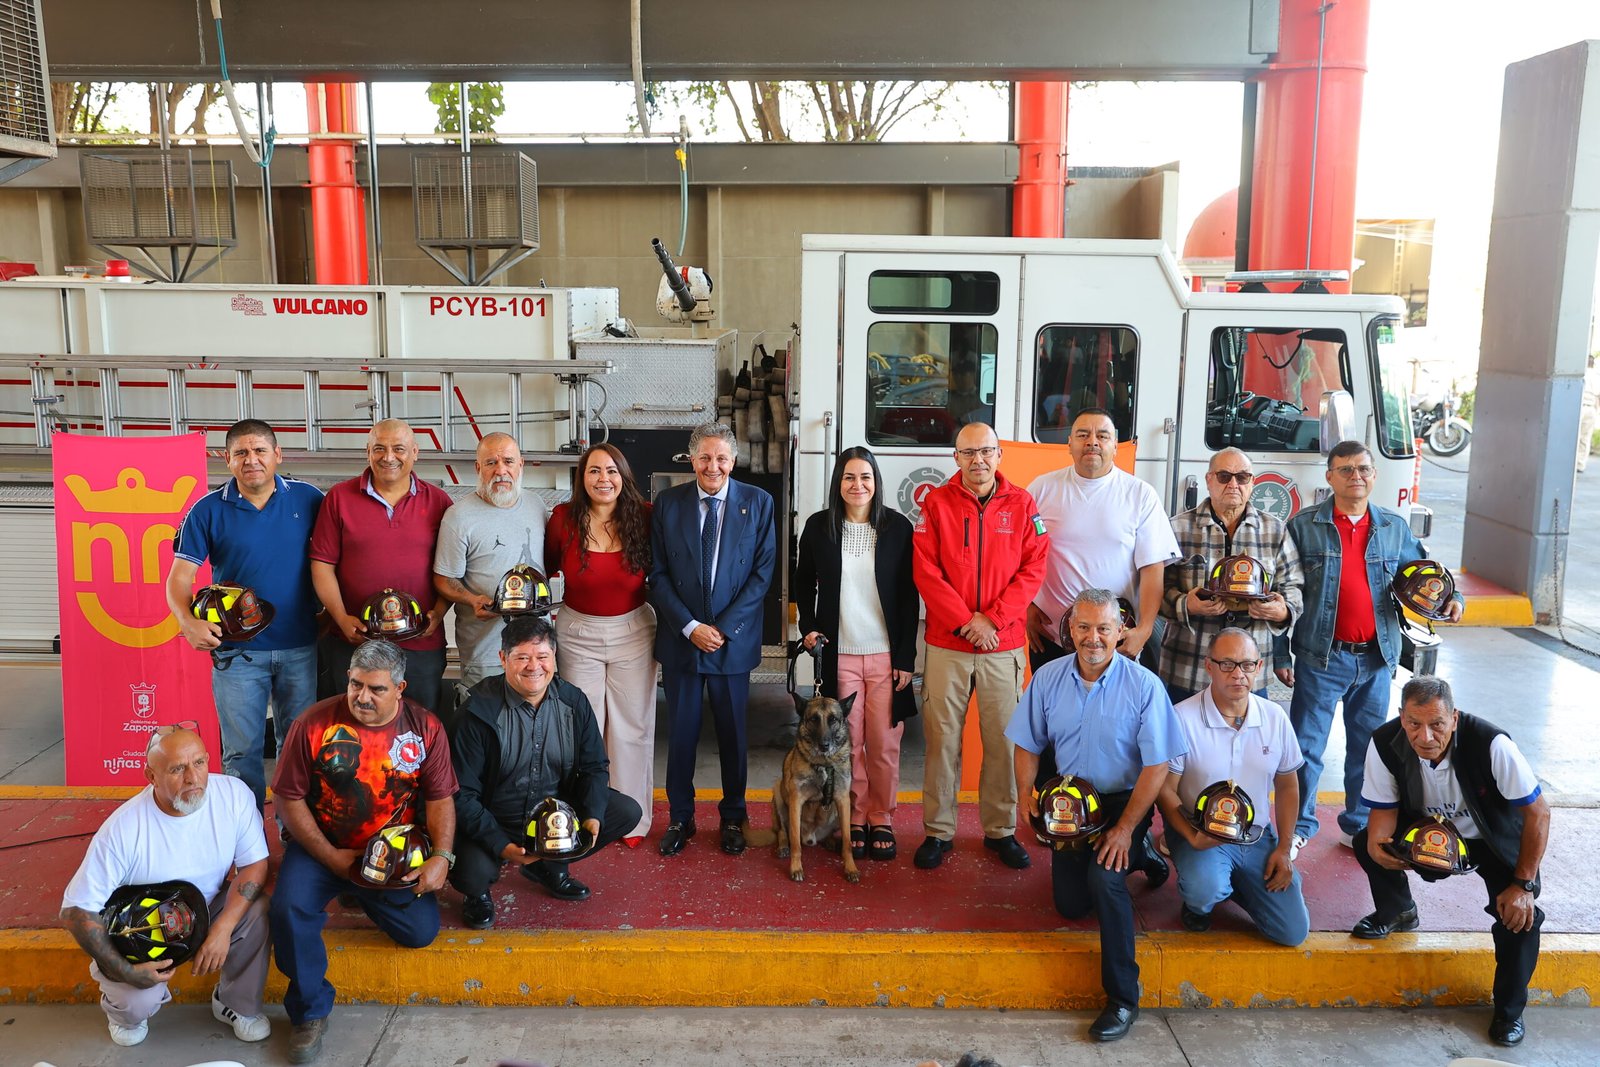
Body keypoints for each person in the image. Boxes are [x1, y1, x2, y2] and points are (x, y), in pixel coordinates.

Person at [269, 639, 458, 1064]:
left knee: (420, 933)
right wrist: (330, 857)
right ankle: (309, 1012)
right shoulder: (313, 723)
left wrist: (441, 858)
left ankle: (365, 892)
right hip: (323, 845)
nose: (362, 697)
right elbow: (288, 799)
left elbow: (441, 798)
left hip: (390, 854)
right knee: (288, 910)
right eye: (355, 684)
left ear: (400, 688)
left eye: (376, 689)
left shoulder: (426, 726)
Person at [1006, 589, 1183, 1042]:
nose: (1093, 638)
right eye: (1083, 627)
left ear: (1120, 630)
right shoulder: (1047, 678)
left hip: (1125, 800)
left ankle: (1123, 998)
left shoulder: (1144, 685)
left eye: (1104, 628)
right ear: (1070, 629)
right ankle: (1142, 856)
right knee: (1071, 904)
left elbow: (1157, 764)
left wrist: (1125, 829)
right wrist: (1027, 796)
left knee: (1105, 879)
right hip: (1072, 801)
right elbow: (1027, 741)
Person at [1285, 441, 1463, 858]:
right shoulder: (1304, 526)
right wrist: (1279, 656)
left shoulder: (1392, 528)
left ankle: (1358, 825)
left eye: (1363, 469)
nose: (1355, 476)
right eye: (1345, 469)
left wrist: (1453, 601)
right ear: (1329, 477)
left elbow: (1428, 574)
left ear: (1373, 475)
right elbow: (1284, 590)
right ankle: (1299, 827)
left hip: (1376, 658)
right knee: (1306, 748)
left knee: (1368, 749)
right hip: (1321, 657)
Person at [1353, 676, 1549, 1048]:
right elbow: (1382, 817)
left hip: (1489, 838)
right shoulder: (1384, 742)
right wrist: (1383, 851)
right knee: (1365, 842)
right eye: (1414, 724)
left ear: (1454, 718)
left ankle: (1509, 1013)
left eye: (1437, 724)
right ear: (1401, 717)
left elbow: (1538, 814)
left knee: (1520, 918)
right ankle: (1398, 911)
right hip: (1427, 835)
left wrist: (1523, 884)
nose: (1424, 736)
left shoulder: (1492, 744)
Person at [60, 726, 271, 1048]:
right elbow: (76, 910)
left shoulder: (233, 794)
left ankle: (235, 1002)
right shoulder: (123, 828)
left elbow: (254, 865)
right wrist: (127, 972)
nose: (192, 778)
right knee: (134, 1008)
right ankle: (124, 1010)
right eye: (176, 769)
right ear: (151, 776)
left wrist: (222, 930)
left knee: (255, 909)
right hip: (140, 929)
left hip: (205, 908)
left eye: (199, 763)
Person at [912, 422, 1048, 872]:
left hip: (1002, 644)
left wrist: (991, 620)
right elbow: (926, 571)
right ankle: (938, 830)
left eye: (987, 451)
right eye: (969, 452)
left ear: (999, 455)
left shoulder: (1024, 504)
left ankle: (1000, 830)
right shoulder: (935, 504)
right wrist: (967, 622)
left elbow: (1033, 569)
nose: (979, 460)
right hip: (948, 644)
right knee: (942, 741)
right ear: (956, 458)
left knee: (1002, 744)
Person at [166, 419, 323, 807]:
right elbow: (179, 578)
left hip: (300, 647)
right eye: (241, 453)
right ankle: (246, 840)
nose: (251, 460)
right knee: (241, 753)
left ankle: (294, 834)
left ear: (278, 455)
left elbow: (336, 564)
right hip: (236, 655)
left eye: (259, 451)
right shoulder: (206, 510)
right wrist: (188, 622)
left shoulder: (310, 500)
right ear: (226, 459)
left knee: (298, 748)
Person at [449, 616, 643, 927]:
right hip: (493, 820)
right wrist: (501, 844)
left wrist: (592, 815)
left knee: (624, 811)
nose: (533, 667)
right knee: (472, 873)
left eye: (542, 656)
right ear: (503, 658)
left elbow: (594, 766)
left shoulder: (572, 701)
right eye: (522, 657)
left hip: (551, 820)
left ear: (554, 657)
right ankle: (478, 894)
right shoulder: (477, 712)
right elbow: (461, 795)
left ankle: (547, 866)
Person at [649, 422, 776, 857]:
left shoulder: (758, 504)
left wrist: (721, 629)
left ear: (733, 461)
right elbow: (658, 574)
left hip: (731, 643)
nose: (713, 466)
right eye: (704, 457)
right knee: (680, 736)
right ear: (692, 460)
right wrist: (689, 626)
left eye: (721, 458)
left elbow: (762, 575)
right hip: (683, 640)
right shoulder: (667, 504)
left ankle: (734, 818)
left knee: (733, 736)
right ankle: (680, 819)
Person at [793, 446, 919, 861]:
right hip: (839, 654)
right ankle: (855, 817)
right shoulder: (818, 527)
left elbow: (907, 597)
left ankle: (880, 816)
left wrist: (905, 657)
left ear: (876, 482)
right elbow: (803, 584)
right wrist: (808, 628)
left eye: (866, 477)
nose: (858, 485)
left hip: (885, 656)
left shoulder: (898, 528)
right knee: (851, 743)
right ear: (838, 483)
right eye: (849, 477)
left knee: (884, 743)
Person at [1156, 628, 1308, 945]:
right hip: (1200, 832)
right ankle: (1202, 899)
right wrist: (1191, 837)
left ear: (1259, 667)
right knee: (1204, 890)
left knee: (1292, 933)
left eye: (1247, 665)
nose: (1238, 674)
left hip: (1256, 836)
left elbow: (1288, 786)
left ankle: (1234, 882)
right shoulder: (1181, 718)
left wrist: (1284, 849)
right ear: (1208, 666)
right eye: (1227, 664)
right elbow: (1165, 790)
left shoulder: (1275, 717)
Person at [544, 443, 657, 846]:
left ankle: (632, 819)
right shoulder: (562, 520)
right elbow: (544, 569)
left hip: (634, 632)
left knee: (632, 727)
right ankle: (581, 818)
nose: (603, 479)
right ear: (582, 477)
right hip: (578, 634)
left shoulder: (644, 517)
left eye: (611, 471)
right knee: (582, 729)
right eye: (594, 471)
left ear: (623, 476)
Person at [310, 418, 454, 714]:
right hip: (353, 640)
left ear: (415, 452)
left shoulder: (439, 501)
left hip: (420, 644)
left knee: (420, 725)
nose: (389, 457)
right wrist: (340, 617)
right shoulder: (338, 498)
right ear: (367, 452)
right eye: (379, 448)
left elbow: (452, 570)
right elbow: (322, 565)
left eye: (399, 449)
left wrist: (438, 614)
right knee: (353, 728)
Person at [1026, 408, 1179, 673]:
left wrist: (1143, 630)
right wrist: (1026, 607)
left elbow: (1153, 568)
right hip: (1052, 637)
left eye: (1103, 435)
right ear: (1069, 444)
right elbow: (1019, 554)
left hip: (1117, 640)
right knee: (1055, 713)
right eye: (1083, 434)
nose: (1092, 441)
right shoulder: (1041, 488)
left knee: (1117, 713)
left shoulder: (1140, 495)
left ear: (1115, 447)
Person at [1159, 447, 1303, 705]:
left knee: (1247, 744)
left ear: (1252, 482)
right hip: (1187, 669)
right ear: (1209, 480)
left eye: (1242, 477)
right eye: (1224, 476)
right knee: (1180, 744)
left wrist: (1282, 611)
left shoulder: (1275, 531)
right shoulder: (1176, 529)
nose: (1233, 484)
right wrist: (1186, 605)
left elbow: (1293, 586)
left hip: (1250, 676)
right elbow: (1155, 588)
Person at [433, 432, 549, 693]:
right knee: (486, 724)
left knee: (535, 722)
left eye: (508, 461)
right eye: (491, 463)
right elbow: (443, 578)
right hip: (485, 650)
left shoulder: (536, 505)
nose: (501, 471)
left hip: (535, 646)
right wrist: (472, 599)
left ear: (521, 465)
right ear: (478, 468)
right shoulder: (458, 517)